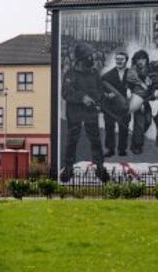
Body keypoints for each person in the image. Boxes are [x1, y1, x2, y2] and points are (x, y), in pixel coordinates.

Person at [61, 42, 109, 183]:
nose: (92, 58)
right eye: (89, 56)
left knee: (95, 140)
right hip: (74, 113)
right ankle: (68, 168)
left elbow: (99, 91)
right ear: (82, 58)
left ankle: (100, 167)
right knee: (72, 140)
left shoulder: (94, 73)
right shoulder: (70, 74)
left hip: (90, 113)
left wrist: (101, 101)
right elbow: (66, 92)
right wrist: (82, 98)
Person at [126, 50, 158, 154]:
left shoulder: (148, 69)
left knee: (148, 121)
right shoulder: (133, 70)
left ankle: (136, 138)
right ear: (135, 60)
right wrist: (141, 83)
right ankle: (137, 146)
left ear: (146, 60)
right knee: (139, 123)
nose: (141, 61)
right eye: (138, 59)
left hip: (146, 99)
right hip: (137, 99)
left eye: (143, 59)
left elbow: (153, 82)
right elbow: (130, 78)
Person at [101, 48, 131, 157]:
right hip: (110, 107)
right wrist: (107, 95)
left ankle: (122, 149)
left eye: (121, 59)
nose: (119, 61)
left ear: (126, 60)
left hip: (124, 107)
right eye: (117, 59)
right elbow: (100, 89)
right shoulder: (107, 75)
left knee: (124, 128)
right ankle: (110, 149)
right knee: (109, 128)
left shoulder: (131, 74)